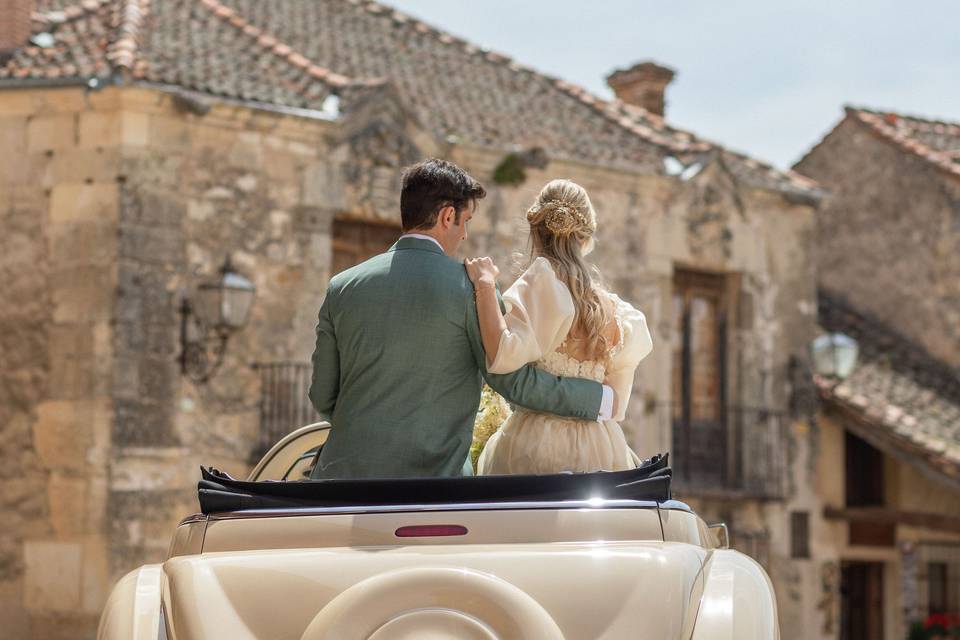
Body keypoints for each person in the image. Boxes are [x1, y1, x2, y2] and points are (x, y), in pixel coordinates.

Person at [307, 160, 617, 479]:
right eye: (466, 220)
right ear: (447, 216)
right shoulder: (470, 287)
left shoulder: (341, 286)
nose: (466, 234)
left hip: (341, 482)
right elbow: (511, 380)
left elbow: (322, 395)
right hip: (437, 487)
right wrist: (597, 398)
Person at [466, 179, 653, 475]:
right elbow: (615, 405)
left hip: (537, 443)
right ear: (586, 237)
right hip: (602, 445)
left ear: (536, 231)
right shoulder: (618, 312)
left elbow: (503, 354)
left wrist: (485, 287)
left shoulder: (542, 282)